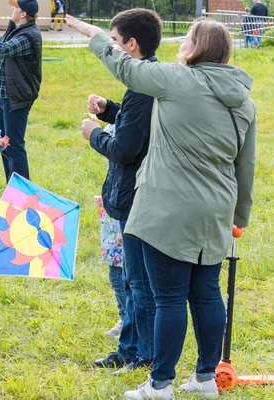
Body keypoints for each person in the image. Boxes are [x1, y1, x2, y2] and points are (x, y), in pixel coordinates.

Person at [67, 15, 256, 399]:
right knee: (206, 293)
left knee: (169, 297)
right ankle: (205, 378)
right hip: (216, 208)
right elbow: (245, 164)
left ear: (195, 46)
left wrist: (93, 33)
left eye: (187, 38)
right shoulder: (244, 100)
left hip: (169, 209)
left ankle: (160, 384)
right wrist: (240, 216)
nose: (181, 43)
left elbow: (123, 64)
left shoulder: (175, 79)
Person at [81, 8, 160, 375]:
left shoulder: (144, 88)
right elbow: (135, 125)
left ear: (131, 44)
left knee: (138, 283)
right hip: (133, 195)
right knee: (133, 280)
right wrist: (110, 109)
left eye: (114, 41)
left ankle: (140, 352)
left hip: (135, 197)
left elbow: (126, 148)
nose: (111, 49)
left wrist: (94, 134)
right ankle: (129, 347)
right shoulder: (146, 83)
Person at [0, 0, 42, 183]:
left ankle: (22, 192)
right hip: (3, 96)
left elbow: (3, 49)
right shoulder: (15, 30)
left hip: (17, 98)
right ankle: (12, 188)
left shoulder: (28, 36)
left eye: (15, 6)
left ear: (23, 13)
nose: (11, 8)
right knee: (3, 144)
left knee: (14, 146)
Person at [94, 195, 126, 339]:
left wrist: (123, 228)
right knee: (116, 280)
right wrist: (106, 200)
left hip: (123, 228)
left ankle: (130, 323)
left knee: (125, 281)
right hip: (111, 233)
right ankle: (124, 318)